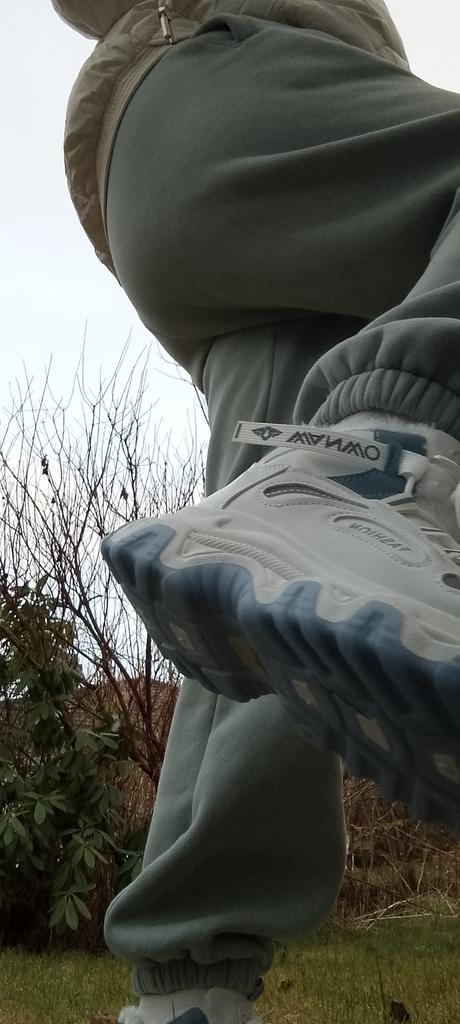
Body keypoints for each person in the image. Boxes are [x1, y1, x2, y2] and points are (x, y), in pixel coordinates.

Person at [52, 2, 460, 1022]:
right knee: (356, 484)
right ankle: (389, 474)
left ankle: (189, 989)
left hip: (210, 200)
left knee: (273, 593)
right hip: (229, 85)